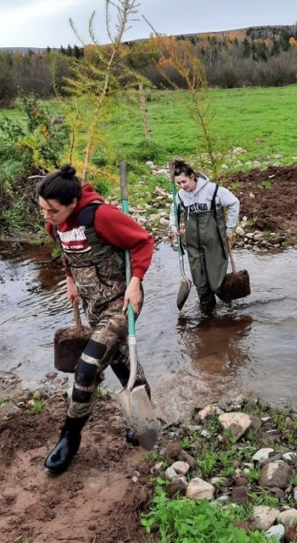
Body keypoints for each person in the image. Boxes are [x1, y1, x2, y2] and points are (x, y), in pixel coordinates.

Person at [37, 163, 154, 475]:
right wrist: (70, 279)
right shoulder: (56, 225)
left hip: (122, 302)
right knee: (119, 360)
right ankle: (145, 420)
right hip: (94, 306)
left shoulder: (100, 216)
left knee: (87, 367)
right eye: (43, 210)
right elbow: (66, 251)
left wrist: (136, 282)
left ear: (72, 204)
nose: (47, 217)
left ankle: (69, 438)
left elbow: (143, 241)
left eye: (52, 210)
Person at [169, 159, 240, 313]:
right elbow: (173, 212)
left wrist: (229, 229)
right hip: (193, 244)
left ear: (192, 176)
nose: (182, 186)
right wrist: (174, 227)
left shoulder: (213, 190)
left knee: (216, 283)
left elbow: (234, 203)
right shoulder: (180, 196)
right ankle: (208, 317)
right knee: (200, 284)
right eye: (179, 183)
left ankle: (231, 309)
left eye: (184, 181)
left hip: (215, 241)